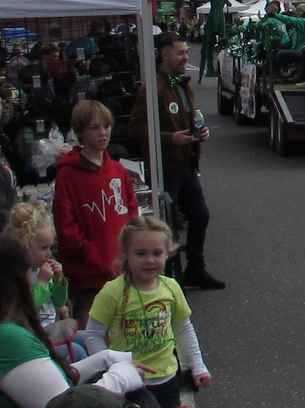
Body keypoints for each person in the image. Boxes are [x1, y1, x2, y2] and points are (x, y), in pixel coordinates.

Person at [0, 236, 153, 408]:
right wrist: (121, 377)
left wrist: (104, 358)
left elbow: (57, 381)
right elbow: (67, 404)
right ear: (22, 280)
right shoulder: (8, 337)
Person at [129, 33, 224, 290]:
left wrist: (200, 132)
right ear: (164, 54)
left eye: (186, 52)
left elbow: (190, 119)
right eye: (180, 52)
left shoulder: (183, 85)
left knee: (200, 215)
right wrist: (171, 138)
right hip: (166, 167)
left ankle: (195, 268)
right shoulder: (152, 89)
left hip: (187, 164)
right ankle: (165, 278)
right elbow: (136, 127)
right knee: (165, 226)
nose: (185, 57)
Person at [85, 217, 211, 408]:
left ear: (167, 253)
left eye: (157, 253)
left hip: (168, 378)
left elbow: (183, 328)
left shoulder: (171, 288)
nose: (150, 260)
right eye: (141, 253)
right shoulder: (113, 291)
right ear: (126, 253)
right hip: (130, 382)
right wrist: (112, 367)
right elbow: (93, 334)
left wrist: (198, 366)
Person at [52, 101, 139, 323]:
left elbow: (131, 213)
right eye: (94, 127)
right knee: (92, 333)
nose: (103, 132)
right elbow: (66, 228)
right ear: (80, 132)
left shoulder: (118, 170)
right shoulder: (68, 175)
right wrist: (95, 257)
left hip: (122, 273)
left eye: (106, 126)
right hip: (88, 278)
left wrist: (129, 251)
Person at [2, 201, 68, 328]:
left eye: (50, 247)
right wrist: (42, 283)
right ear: (24, 245)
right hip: (32, 333)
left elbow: (59, 302)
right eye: (43, 248)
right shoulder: (16, 276)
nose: (49, 254)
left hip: (52, 328)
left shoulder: (42, 271)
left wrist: (58, 280)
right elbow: (27, 305)